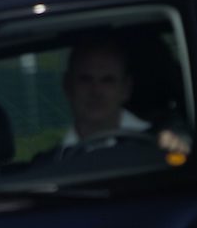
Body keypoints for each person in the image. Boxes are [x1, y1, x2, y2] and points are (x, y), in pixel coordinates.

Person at [58, 37, 189, 155]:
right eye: (85, 79)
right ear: (68, 86)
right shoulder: (50, 165)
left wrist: (178, 151)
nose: (96, 90)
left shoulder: (163, 145)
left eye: (108, 80)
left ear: (126, 88)